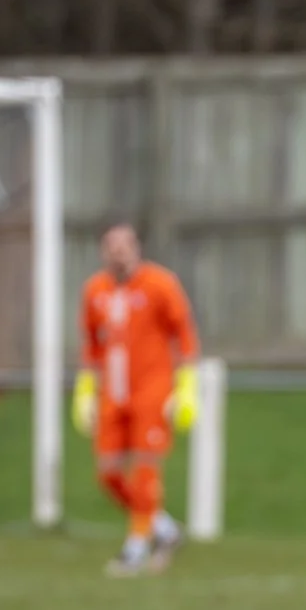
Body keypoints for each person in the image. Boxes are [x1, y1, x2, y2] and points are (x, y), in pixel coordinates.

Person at [72, 223, 199, 577]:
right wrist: (85, 391)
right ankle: (164, 529)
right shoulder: (94, 290)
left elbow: (184, 336)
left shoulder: (161, 284)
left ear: (137, 248)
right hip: (113, 394)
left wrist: (185, 387)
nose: (118, 252)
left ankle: (136, 547)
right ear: (102, 251)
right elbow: (91, 344)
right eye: (111, 245)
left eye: (124, 245)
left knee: (145, 470)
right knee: (108, 474)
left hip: (151, 391)